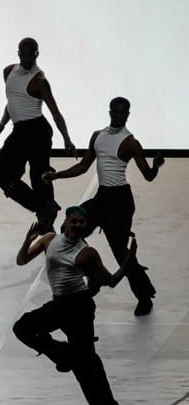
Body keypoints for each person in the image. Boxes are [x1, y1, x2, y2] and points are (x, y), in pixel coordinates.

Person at [14, 206, 138, 405]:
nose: (79, 225)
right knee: (22, 327)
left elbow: (111, 281)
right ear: (66, 222)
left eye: (82, 222)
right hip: (59, 304)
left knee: (87, 362)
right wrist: (27, 239)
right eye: (75, 221)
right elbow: (21, 260)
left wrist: (130, 258)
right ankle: (63, 354)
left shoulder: (86, 253)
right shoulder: (49, 240)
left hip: (79, 307)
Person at [42, 96, 165, 316]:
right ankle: (93, 274)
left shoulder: (130, 143)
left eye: (122, 113)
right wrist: (56, 175)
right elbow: (83, 166)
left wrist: (155, 165)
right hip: (102, 197)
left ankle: (145, 296)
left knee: (121, 253)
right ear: (109, 112)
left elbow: (148, 176)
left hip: (121, 202)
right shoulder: (98, 136)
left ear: (127, 115)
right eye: (115, 112)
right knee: (70, 229)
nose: (118, 115)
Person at [0, 37, 76, 234]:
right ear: (18, 53)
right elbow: (13, 100)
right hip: (20, 129)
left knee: (40, 177)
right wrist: (2, 123)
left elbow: (55, 113)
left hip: (37, 130)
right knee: (1, 173)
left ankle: (46, 222)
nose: (27, 57)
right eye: (24, 53)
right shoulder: (8, 71)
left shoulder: (40, 82)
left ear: (37, 54)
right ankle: (44, 208)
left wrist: (67, 138)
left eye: (32, 54)